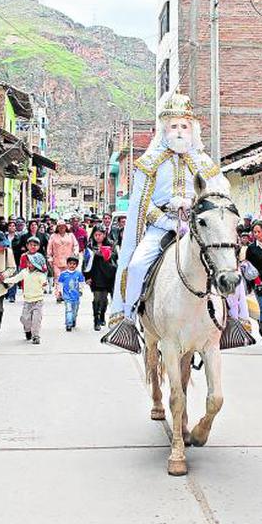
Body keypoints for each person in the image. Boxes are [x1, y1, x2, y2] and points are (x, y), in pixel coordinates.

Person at [102, 93, 230, 352]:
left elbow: (219, 197)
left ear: (192, 129)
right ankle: (128, 318)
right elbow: (140, 205)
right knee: (137, 265)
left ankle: (234, 320)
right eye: (174, 126)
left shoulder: (205, 163)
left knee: (226, 263)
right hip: (161, 226)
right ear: (164, 129)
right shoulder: (149, 164)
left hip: (197, 229)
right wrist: (165, 218)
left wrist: (195, 205)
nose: (179, 131)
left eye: (184, 126)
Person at [1, 245, 48, 344]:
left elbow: (44, 282)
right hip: (27, 301)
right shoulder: (24, 272)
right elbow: (16, 278)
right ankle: (28, 331)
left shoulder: (40, 275)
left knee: (36, 320)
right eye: (28, 262)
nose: (29, 264)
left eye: (31, 262)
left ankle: (36, 336)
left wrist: (45, 286)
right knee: (24, 319)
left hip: (38, 301)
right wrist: (6, 280)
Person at [84, 226, 118, 331]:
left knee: (104, 299)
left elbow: (115, 258)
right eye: (96, 235)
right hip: (95, 275)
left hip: (108, 275)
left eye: (100, 235)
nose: (98, 237)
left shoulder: (111, 245)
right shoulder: (90, 246)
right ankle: (96, 320)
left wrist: (106, 253)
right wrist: (87, 277)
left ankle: (102, 314)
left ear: (104, 235)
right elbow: (85, 263)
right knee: (97, 298)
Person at [47, 221, 78, 302]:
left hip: (69, 261)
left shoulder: (70, 235)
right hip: (57, 261)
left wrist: (75, 253)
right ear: (57, 227)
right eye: (60, 226)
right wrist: (49, 257)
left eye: (63, 226)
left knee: (68, 278)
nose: (62, 228)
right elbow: (49, 248)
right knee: (58, 278)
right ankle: (58, 295)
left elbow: (76, 245)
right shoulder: (53, 236)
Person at [57, 256, 85, 331]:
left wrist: (81, 291)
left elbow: (81, 283)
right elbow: (60, 284)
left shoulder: (79, 274)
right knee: (68, 310)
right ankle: (68, 324)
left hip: (76, 296)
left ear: (76, 265)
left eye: (74, 264)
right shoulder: (63, 274)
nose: (72, 265)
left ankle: (73, 320)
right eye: (70, 263)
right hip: (67, 296)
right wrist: (59, 292)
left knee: (75, 310)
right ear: (67, 264)